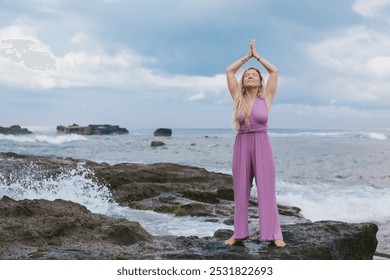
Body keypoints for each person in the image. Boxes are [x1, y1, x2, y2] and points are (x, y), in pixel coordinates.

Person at [225, 40, 285, 247]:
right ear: (243, 82)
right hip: (242, 143)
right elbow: (229, 72)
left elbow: (275, 71)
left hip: (261, 143)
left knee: (266, 189)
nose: (250, 76)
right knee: (240, 189)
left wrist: (256, 56)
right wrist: (246, 58)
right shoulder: (237, 98)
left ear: (260, 82)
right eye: (247, 75)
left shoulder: (266, 98)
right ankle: (239, 232)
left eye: (254, 75)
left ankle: (273, 234)